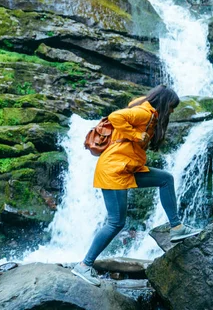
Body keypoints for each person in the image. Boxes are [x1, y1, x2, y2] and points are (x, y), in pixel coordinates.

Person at [72, 85, 201, 286]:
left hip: (128, 168)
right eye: (172, 107)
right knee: (116, 222)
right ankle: (83, 266)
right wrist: (135, 136)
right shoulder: (143, 112)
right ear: (166, 104)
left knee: (165, 179)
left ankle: (176, 228)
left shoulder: (149, 113)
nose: (173, 111)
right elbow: (115, 117)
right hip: (114, 170)